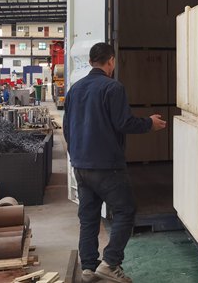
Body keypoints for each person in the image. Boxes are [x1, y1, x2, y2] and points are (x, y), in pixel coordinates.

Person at [63, 42, 166, 283]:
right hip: (107, 166)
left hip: (81, 165)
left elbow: (67, 129)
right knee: (125, 211)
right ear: (111, 61)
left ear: (90, 62)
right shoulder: (113, 88)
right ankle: (110, 262)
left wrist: (77, 157)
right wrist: (149, 123)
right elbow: (124, 123)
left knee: (88, 218)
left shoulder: (75, 89)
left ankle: (88, 268)